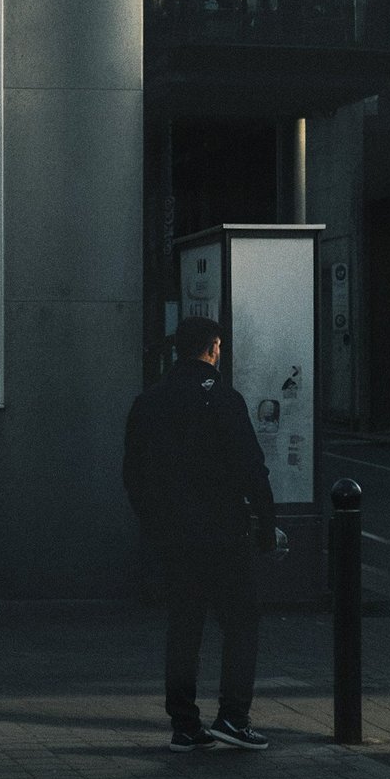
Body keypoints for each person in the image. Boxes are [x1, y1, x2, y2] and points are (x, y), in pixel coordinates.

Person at [123, 316, 279, 752]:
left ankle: (184, 724)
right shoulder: (225, 400)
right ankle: (233, 716)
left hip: (174, 536)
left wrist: (154, 525)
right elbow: (251, 469)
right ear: (213, 347)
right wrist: (266, 526)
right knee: (241, 621)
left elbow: (133, 474)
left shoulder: (149, 402)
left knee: (184, 627)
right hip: (224, 533)